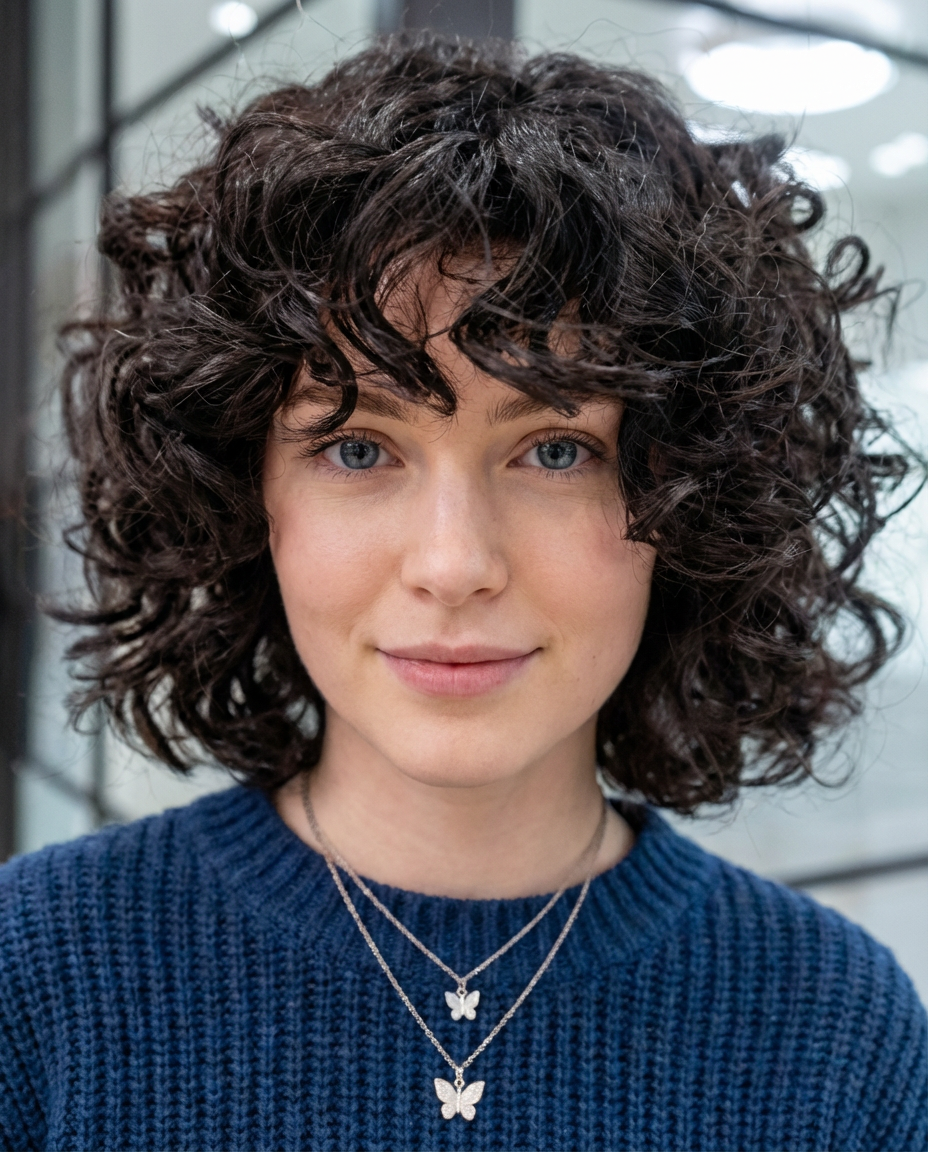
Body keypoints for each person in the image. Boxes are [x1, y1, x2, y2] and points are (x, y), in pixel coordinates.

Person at [0, 32, 925, 1152]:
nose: (452, 563)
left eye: (553, 451)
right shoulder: (41, 978)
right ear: (246, 497)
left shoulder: (834, 1025)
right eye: (355, 449)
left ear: (690, 498)